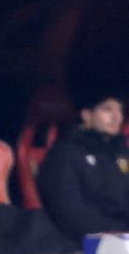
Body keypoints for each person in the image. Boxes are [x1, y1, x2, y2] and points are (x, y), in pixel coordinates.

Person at [37, 90, 128, 245]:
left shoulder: (121, 153)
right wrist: (118, 234)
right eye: (107, 109)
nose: (116, 117)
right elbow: (70, 212)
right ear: (87, 115)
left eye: (120, 110)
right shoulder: (65, 154)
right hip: (97, 242)